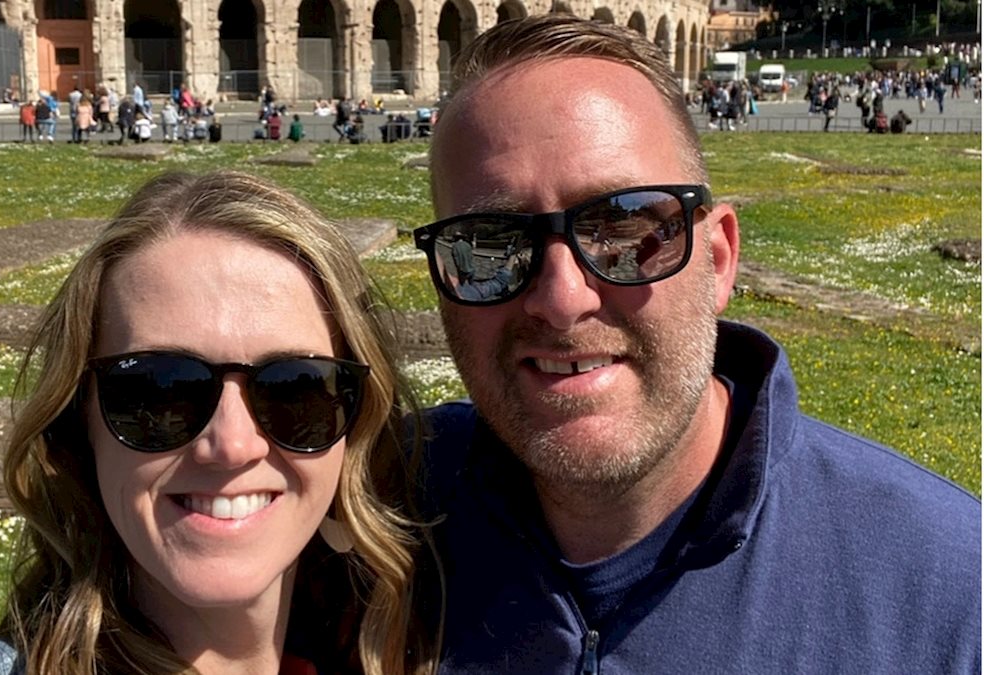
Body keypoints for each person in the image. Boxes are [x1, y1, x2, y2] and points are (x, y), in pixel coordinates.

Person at [411, 15, 980, 673]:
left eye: (623, 227)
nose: (562, 299)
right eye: (488, 243)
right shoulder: (377, 515)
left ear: (718, 259)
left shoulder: (950, 589)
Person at [0, 171, 441, 674]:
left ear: (357, 423)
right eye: (161, 390)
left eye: (296, 388)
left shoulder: (405, 645)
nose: (232, 445)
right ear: (77, 424)